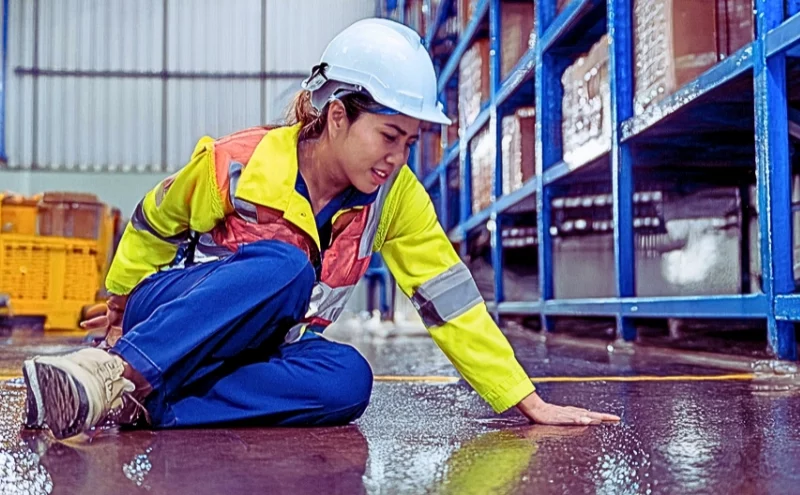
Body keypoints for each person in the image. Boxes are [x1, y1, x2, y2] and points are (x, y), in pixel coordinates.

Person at [21, 18, 619, 440]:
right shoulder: (237, 161)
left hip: (264, 343)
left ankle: (141, 405)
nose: (397, 159)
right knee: (284, 268)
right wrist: (122, 300)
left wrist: (525, 399)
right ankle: (111, 373)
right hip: (175, 314)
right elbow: (155, 220)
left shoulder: (397, 199)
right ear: (338, 114)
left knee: (348, 381)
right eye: (389, 136)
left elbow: (451, 301)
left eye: (409, 143)